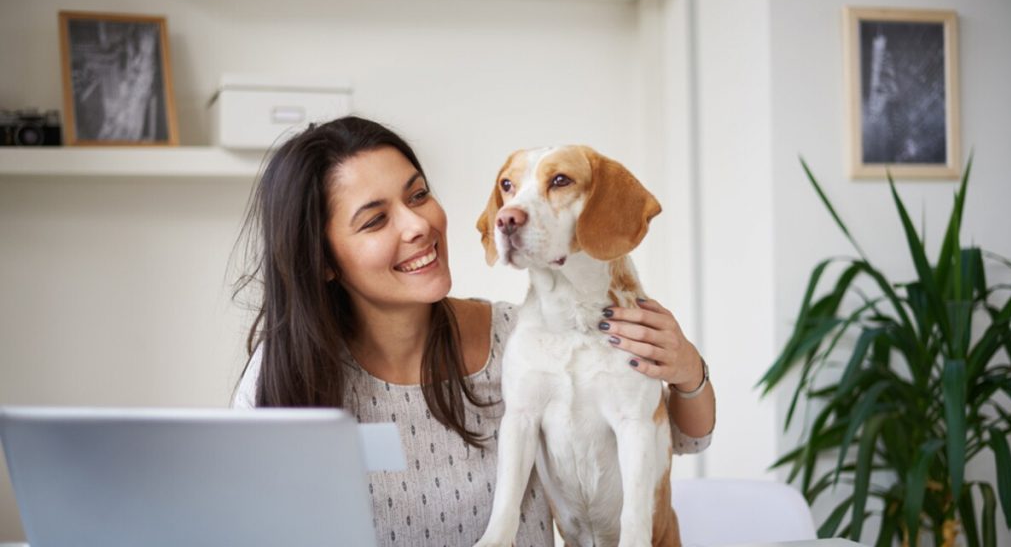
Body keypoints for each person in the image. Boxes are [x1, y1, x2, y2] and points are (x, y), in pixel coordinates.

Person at [232, 116, 716, 547]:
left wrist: (689, 371)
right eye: (376, 220)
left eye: (418, 195)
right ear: (324, 263)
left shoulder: (520, 336)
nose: (418, 224)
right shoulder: (284, 372)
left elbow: (678, 439)